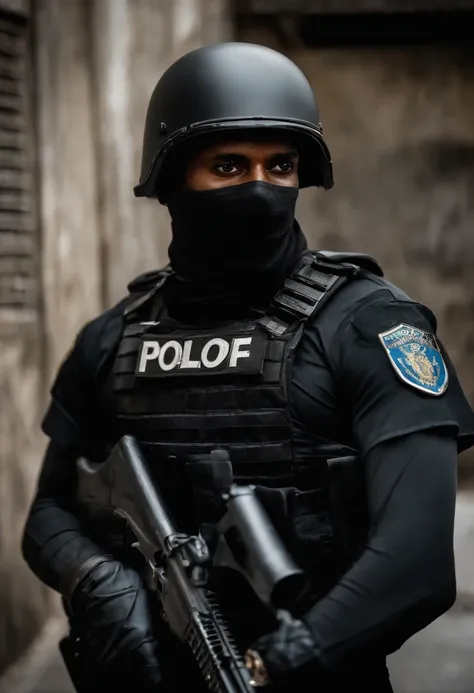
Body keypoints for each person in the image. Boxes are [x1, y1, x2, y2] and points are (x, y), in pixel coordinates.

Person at [21, 42, 474, 693]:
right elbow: (48, 514)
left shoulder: (369, 326)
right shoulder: (112, 339)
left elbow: (418, 563)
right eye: (229, 166)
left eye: (281, 165)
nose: (260, 188)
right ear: (174, 178)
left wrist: (279, 662)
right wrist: (97, 576)